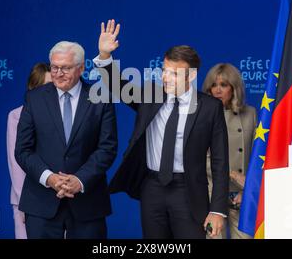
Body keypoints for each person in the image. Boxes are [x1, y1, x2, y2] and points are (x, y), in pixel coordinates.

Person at [93, 19, 229, 239]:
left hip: (189, 192)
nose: (166, 78)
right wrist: (105, 57)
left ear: (191, 75)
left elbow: (220, 161)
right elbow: (118, 87)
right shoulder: (151, 95)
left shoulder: (210, 108)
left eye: (174, 74)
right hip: (152, 188)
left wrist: (217, 210)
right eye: (165, 71)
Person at [15, 41, 118, 239]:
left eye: (65, 68)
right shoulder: (34, 99)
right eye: (54, 67)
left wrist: (80, 180)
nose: (58, 73)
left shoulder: (101, 98)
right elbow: (23, 150)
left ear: (81, 68)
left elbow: (107, 148)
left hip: (88, 203)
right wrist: (49, 178)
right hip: (41, 203)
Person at [202, 63, 257, 239]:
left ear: (234, 89)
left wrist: (248, 187)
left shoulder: (250, 114)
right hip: (211, 192)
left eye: (223, 85)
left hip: (242, 193)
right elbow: (199, 158)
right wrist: (233, 174)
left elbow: (260, 156)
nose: (217, 90)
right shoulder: (200, 115)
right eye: (214, 85)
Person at [6, 62, 51, 239]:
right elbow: (16, 162)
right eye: (47, 86)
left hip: (60, 202)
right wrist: (24, 202)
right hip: (27, 200)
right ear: (34, 88)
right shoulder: (17, 115)